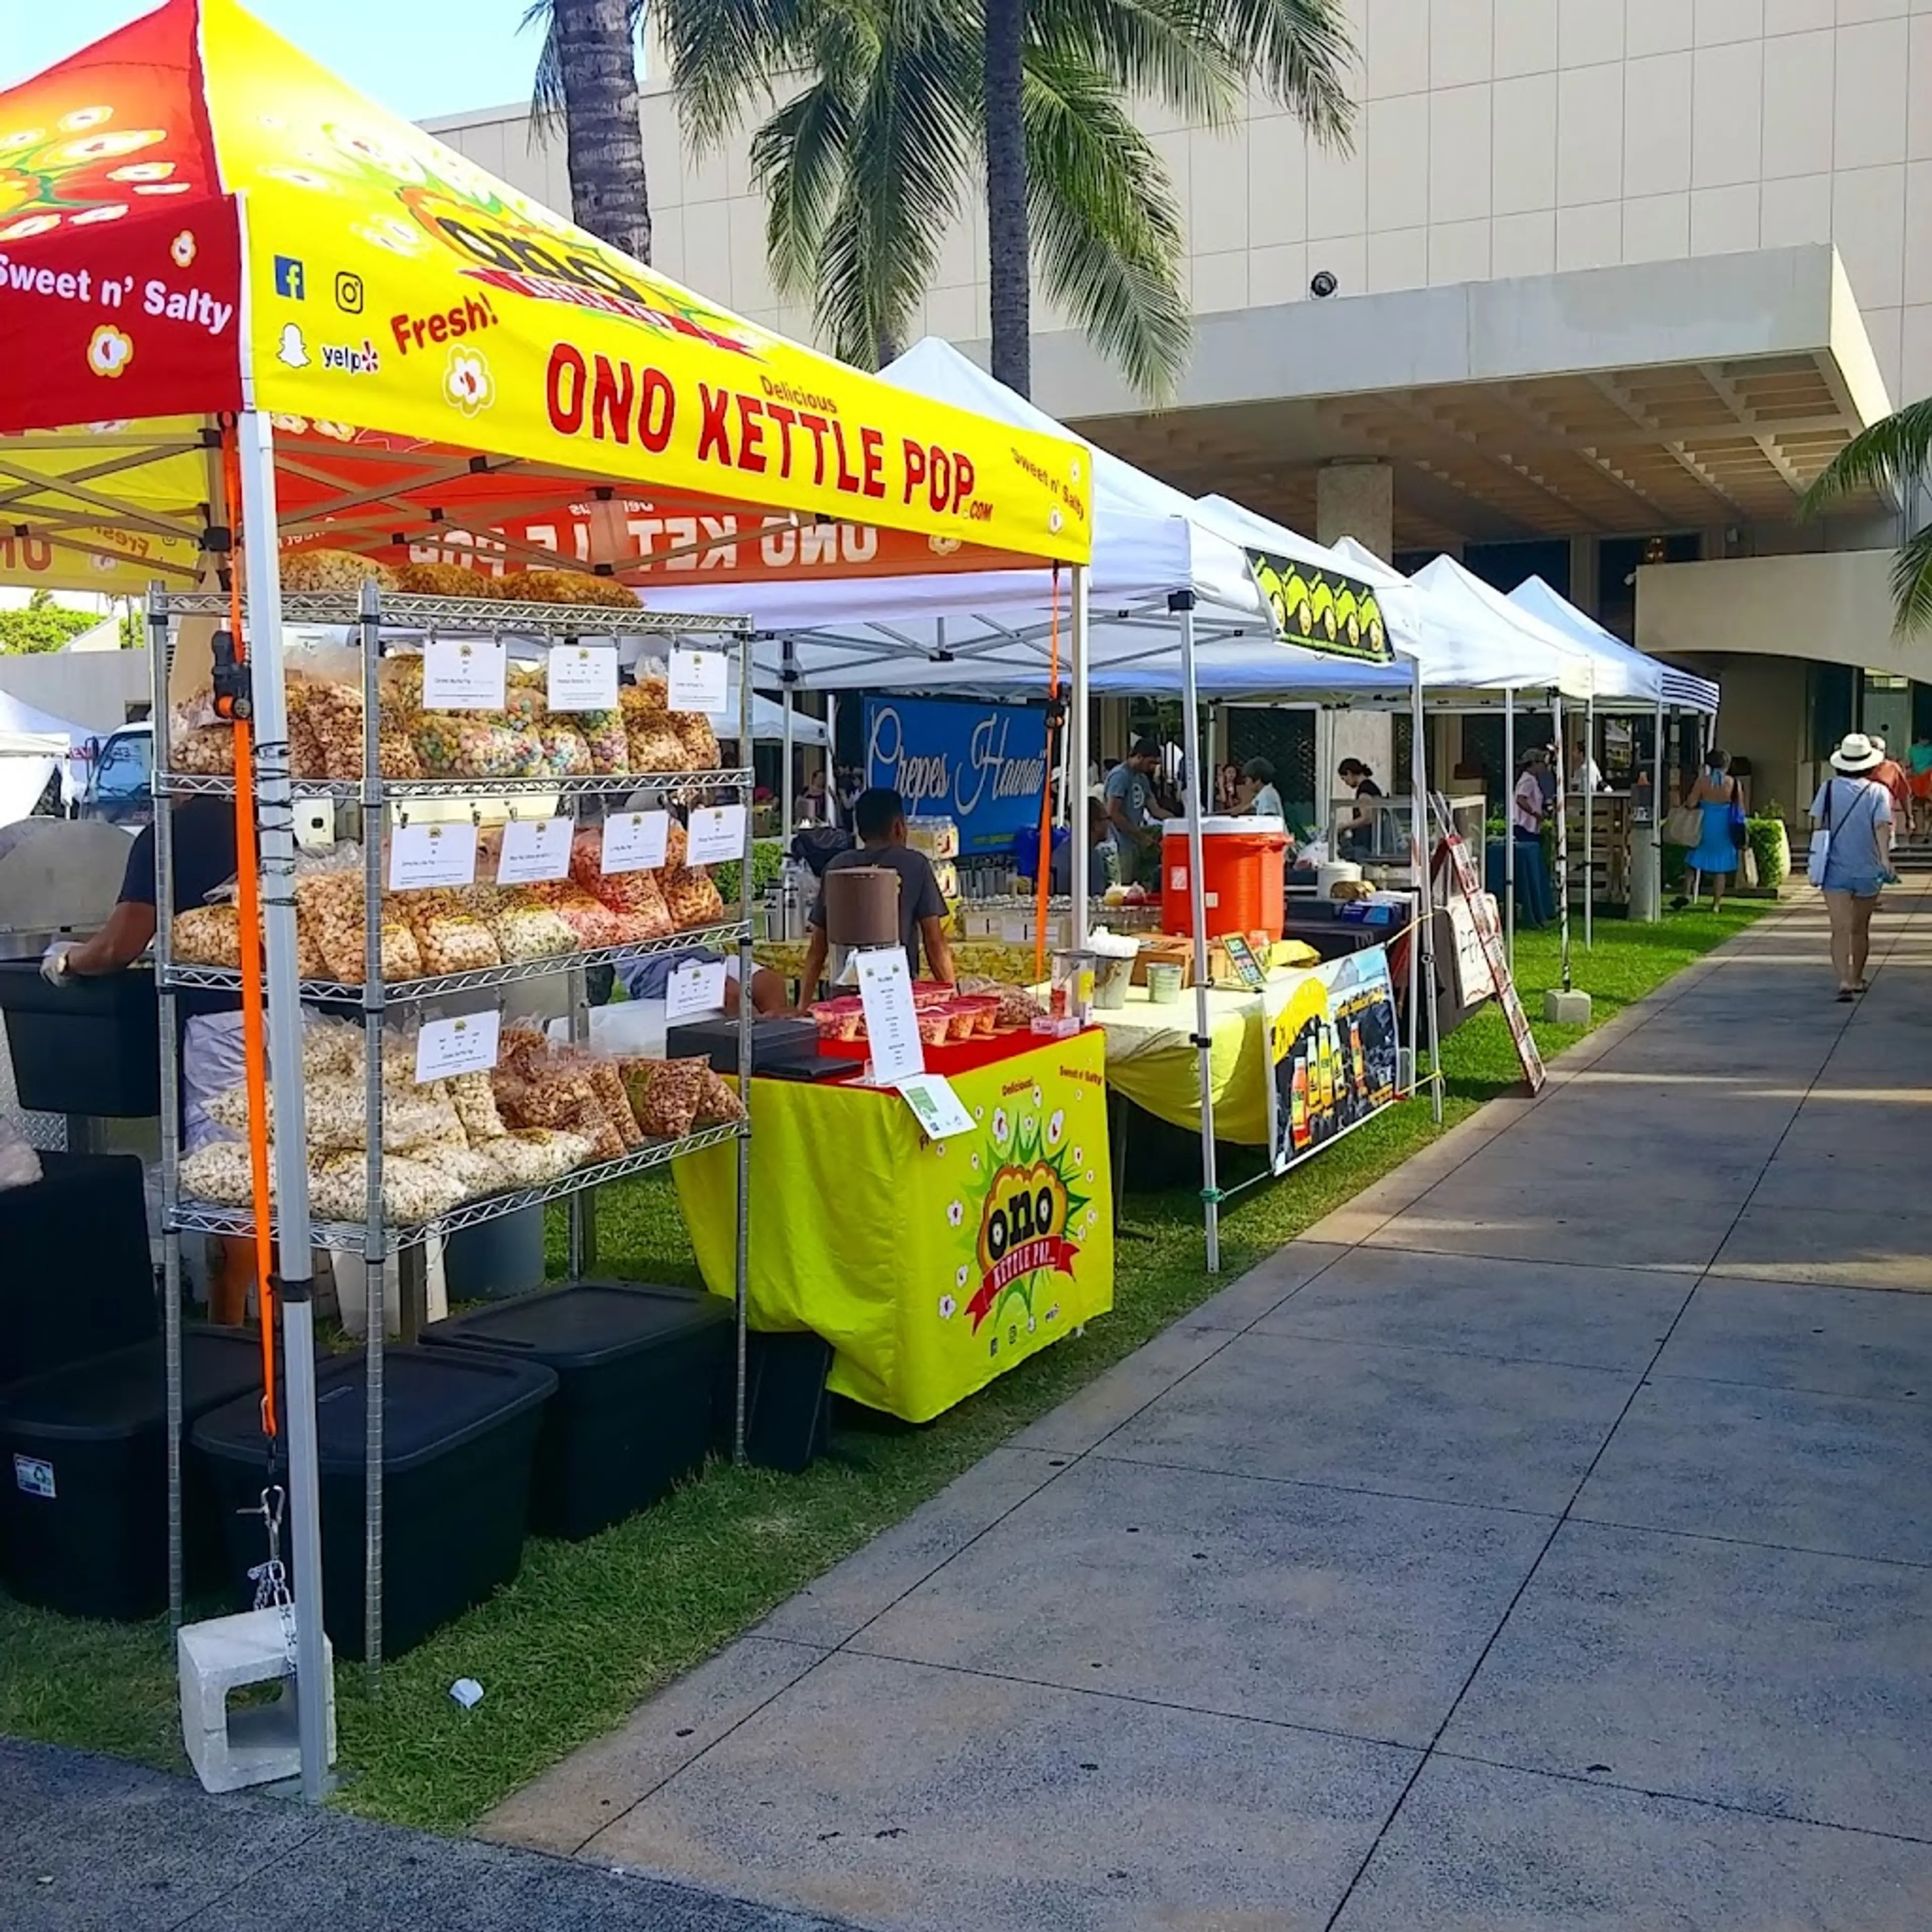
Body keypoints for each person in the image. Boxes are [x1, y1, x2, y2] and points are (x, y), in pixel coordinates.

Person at [42, 795, 257, 1326]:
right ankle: (266, 1318)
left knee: (225, 1175)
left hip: (219, 1024)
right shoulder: (256, 818)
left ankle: (230, 1330)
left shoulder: (167, 835)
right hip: (281, 1012)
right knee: (266, 1165)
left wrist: (68, 959)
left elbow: (121, 943)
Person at [796, 785, 955, 998]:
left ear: (860, 831)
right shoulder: (915, 865)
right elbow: (934, 941)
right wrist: (952, 995)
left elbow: (818, 947)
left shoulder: (837, 866)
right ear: (899, 828)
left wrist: (803, 1005)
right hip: (896, 991)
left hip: (844, 993)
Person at [1812, 733, 1896, 1000]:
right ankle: (1857, 977)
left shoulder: (1827, 788)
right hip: (1868, 868)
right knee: (1861, 928)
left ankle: (1844, 980)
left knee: (1839, 927)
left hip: (1834, 867)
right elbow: (1882, 826)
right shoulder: (1878, 792)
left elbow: (1818, 824)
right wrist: (1885, 860)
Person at [615, 946, 788, 1015]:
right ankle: (756, 1045)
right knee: (729, 992)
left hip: (693, 951)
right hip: (651, 966)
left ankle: (780, 1047)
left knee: (770, 983)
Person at [1674, 748, 1743, 912]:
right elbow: (1740, 808)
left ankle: (1685, 893)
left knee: (1693, 861)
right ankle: (1716, 904)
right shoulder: (1733, 783)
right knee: (1721, 868)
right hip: (1725, 827)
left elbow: (1691, 803)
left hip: (1704, 824)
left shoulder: (1703, 782)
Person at [1103, 738, 1169, 886]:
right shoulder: (1120, 776)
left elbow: (1156, 810)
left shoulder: (1142, 779)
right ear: (1139, 757)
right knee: (1123, 887)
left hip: (1134, 843)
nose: (1152, 767)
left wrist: (1177, 822)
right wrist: (1141, 836)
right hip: (1119, 844)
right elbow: (1113, 812)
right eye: (1150, 763)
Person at [1510, 750, 1554, 927]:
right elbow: (1521, 799)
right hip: (1525, 827)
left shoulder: (1530, 779)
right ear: (1534, 764)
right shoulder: (1528, 780)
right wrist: (1537, 814)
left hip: (1529, 827)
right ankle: (1535, 907)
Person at [1051, 796, 1116, 896]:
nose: (1109, 824)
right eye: (1107, 819)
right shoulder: (1063, 857)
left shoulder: (1095, 855)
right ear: (1095, 825)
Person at [1867, 737, 1913, 825]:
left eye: (1880, 750)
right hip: (1862, 820)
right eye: (1873, 750)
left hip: (1886, 820)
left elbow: (1904, 794)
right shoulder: (1859, 768)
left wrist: (1909, 818)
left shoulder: (1893, 768)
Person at [1240, 756, 1285, 821]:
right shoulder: (1264, 792)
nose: (1246, 784)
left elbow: (1269, 820)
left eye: (1247, 780)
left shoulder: (1267, 796)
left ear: (1258, 781)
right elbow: (1251, 805)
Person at [1907, 729, 1932, 837]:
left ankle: (1926, 832)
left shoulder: (1930, 750)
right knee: (1918, 807)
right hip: (1918, 780)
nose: (1926, 742)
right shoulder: (1912, 750)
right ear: (1920, 739)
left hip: (1928, 780)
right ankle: (1920, 832)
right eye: (1925, 740)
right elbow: (1910, 764)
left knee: (1927, 808)